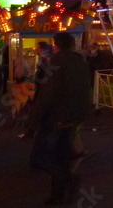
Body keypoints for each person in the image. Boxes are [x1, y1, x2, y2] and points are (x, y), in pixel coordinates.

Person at [28, 32, 92, 205]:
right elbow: (86, 89)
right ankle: (58, 194)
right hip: (74, 117)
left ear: (56, 45)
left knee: (40, 158)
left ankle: (66, 181)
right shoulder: (81, 63)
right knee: (62, 156)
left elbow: (47, 94)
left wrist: (33, 122)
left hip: (57, 117)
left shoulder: (55, 62)